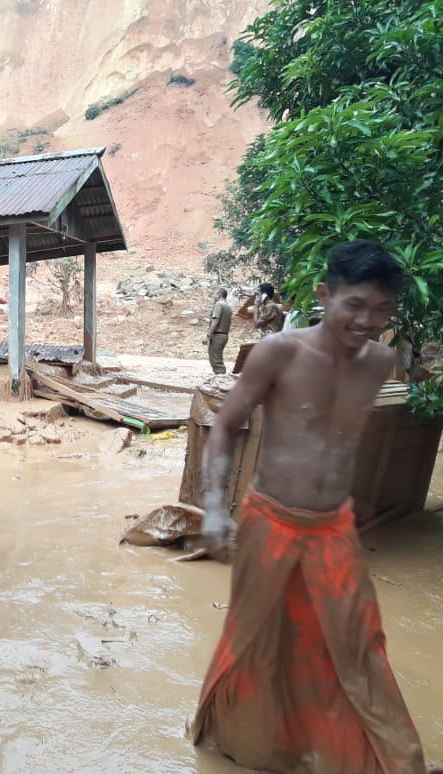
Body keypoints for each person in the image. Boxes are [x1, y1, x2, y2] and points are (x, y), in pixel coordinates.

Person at [193, 240, 428, 771]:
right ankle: (251, 745)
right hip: (269, 520)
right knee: (258, 639)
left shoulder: (383, 362)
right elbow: (227, 425)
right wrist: (213, 506)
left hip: (333, 527)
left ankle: (377, 756)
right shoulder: (282, 352)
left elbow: (342, 439)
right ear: (325, 295)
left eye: (382, 309)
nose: (368, 320)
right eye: (355, 304)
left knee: (357, 642)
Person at [203, 287, 232, 374]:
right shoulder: (228, 306)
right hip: (224, 335)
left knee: (216, 361)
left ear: (219, 295)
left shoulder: (218, 305)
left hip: (217, 335)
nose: (213, 296)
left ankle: (220, 381)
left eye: (214, 294)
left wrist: (208, 336)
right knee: (218, 358)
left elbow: (215, 321)